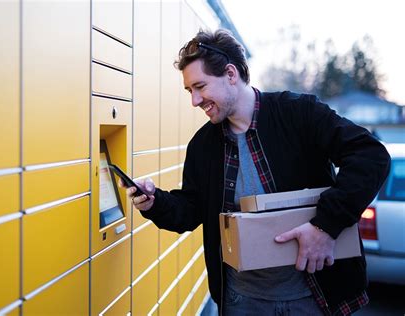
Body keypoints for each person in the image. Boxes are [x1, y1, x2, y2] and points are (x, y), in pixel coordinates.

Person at [121, 29, 390, 315]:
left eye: (200, 86)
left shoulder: (298, 113)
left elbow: (371, 157)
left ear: (230, 74)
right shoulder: (202, 146)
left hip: (314, 297)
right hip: (242, 302)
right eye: (190, 90)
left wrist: (325, 225)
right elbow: (190, 211)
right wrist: (155, 202)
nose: (195, 101)